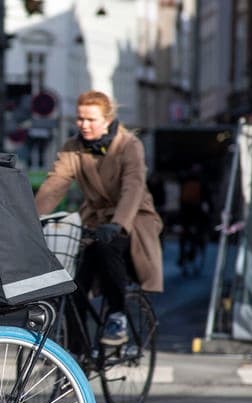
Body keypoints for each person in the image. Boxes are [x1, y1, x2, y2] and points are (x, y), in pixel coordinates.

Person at [34, 90, 163, 346]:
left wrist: (117, 224)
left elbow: (133, 186)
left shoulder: (128, 145)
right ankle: (77, 353)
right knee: (71, 285)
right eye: (80, 119)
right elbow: (55, 185)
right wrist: (30, 219)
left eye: (91, 119)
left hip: (133, 218)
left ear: (107, 120)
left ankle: (117, 316)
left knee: (107, 247)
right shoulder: (73, 147)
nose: (84, 125)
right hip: (95, 219)